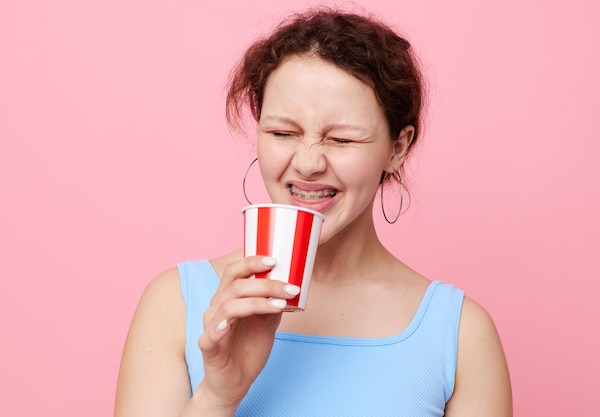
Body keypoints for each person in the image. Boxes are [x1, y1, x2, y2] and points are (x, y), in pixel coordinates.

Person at [114, 7, 512, 417]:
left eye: (341, 139)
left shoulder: (460, 335)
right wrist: (218, 396)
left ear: (397, 148)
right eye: (282, 133)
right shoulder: (176, 305)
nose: (307, 163)